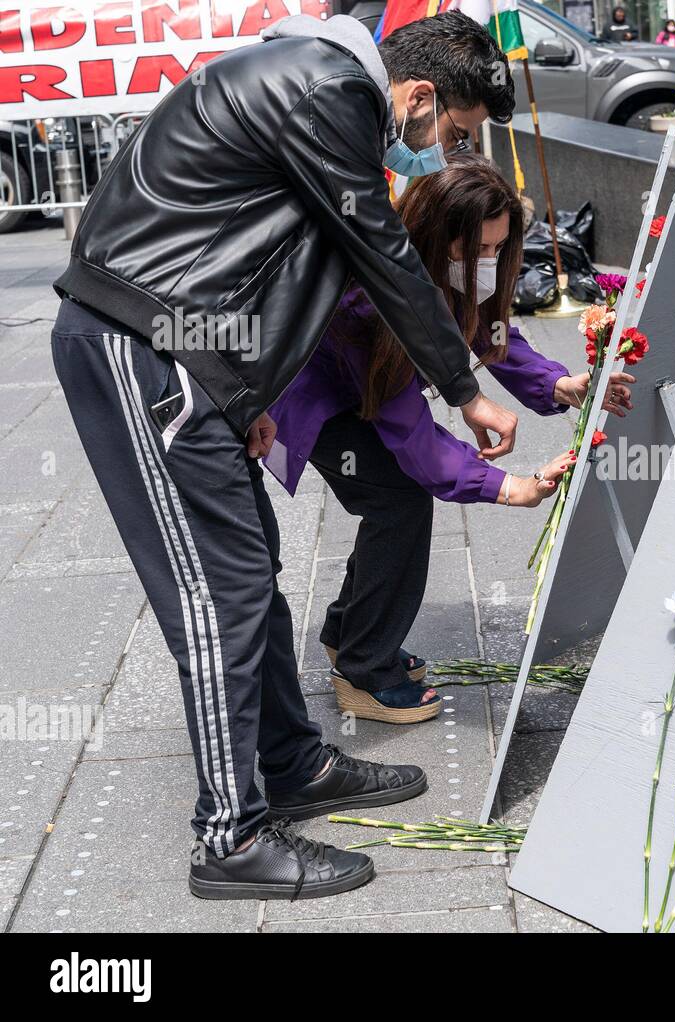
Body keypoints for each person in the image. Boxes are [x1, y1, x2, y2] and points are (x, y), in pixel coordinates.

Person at [49, 12, 517, 901]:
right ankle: (228, 839)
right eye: (452, 133)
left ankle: (291, 761)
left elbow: (261, 261)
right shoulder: (329, 89)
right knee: (217, 590)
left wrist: (248, 397)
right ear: (416, 97)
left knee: (252, 564)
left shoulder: (311, 87)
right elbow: (373, 251)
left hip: (187, 355)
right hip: (138, 346)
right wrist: (464, 387)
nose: (446, 154)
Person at [267, 156, 634, 725]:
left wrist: (560, 384)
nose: (487, 264)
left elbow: (492, 335)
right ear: (435, 234)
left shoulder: (450, 270)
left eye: (497, 249)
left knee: (395, 501)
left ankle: (349, 630)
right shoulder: (375, 296)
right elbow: (409, 431)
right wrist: (509, 487)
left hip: (362, 391)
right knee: (398, 499)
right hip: (311, 404)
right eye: (475, 250)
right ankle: (364, 670)